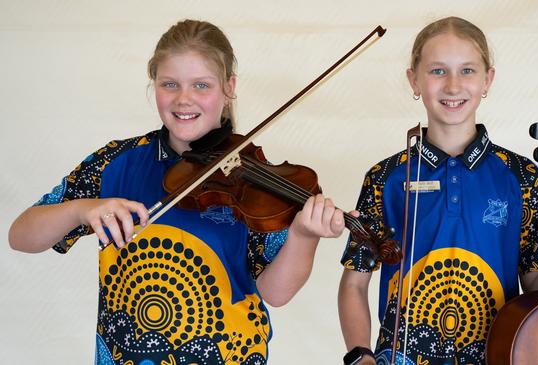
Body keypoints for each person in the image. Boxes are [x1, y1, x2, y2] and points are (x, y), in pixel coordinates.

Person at [9, 19, 346, 365]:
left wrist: (304, 235)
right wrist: (82, 210)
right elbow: (21, 235)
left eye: (202, 85)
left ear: (229, 87)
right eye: (170, 84)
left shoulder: (255, 180)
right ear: (154, 85)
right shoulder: (116, 162)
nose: (184, 99)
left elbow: (275, 293)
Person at [338, 16, 538, 365]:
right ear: (414, 80)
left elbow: (536, 284)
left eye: (467, 71)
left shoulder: (522, 176)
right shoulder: (385, 178)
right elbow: (354, 284)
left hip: (499, 355)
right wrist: (361, 356)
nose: (453, 86)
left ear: (488, 80)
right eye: (438, 71)